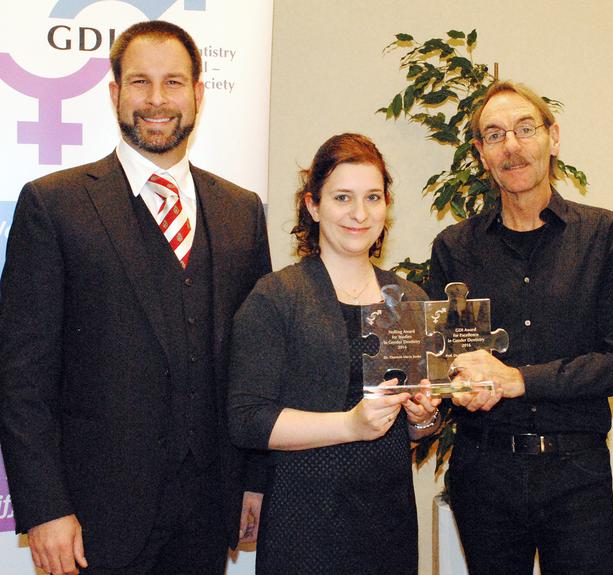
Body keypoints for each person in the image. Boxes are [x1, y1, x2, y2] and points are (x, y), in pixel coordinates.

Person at [0, 20, 271, 575]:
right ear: (114, 93)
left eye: (173, 83)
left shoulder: (242, 211)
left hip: (205, 514)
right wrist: (46, 508)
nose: (156, 100)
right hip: (93, 520)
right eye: (140, 83)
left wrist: (253, 482)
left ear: (198, 94)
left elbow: (257, 369)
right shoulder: (53, 206)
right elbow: (20, 375)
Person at [426, 81, 613, 575]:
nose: (512, 145)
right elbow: (443, 363)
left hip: (577, 474)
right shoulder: (453, 248)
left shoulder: (605, 236)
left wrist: (519, 379)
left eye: (526, 129)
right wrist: (457, 386)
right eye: (495, 134)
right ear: (481, 153)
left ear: (553, 136)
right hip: (484, 474)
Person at [228, 133, 440, 575]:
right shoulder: (277, 296)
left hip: (388, 524)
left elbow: (421, 429)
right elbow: (248, 419)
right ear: (313, 205)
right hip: (304, 521)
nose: (360, 214)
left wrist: (422, 417)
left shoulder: (407, 297)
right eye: (342, 197)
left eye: (373, 197)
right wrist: (350, 425)